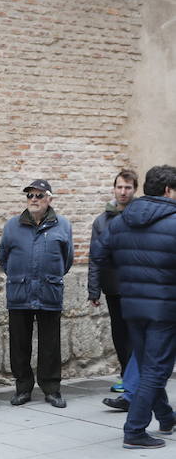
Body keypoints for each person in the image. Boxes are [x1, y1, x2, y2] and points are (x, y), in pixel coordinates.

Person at [94, 165, 176, 449]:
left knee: (146, 364)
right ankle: (135, 430)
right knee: (156, 370)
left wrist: (127, 273)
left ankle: (166, 417)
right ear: (168, 191)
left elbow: (99, 255)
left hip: (130, 305)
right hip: (165, 310)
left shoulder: (121, 220)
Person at [0, 180, 73, 408]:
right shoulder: (12, 226)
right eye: (30, 195)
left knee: (50, 343)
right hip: (19, 292)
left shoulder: (62, 225)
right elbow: (3, 258)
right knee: (19, 343)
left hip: (49, 291)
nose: (33, 200)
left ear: (49, 199)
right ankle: (23, 388)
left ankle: (51, 389)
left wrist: (51, 276)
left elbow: (67, 259)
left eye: (39, 196)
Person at [88, 169, 139, 410]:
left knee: (137, 335)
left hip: (138, 287)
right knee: (120, 335)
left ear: (134, 190)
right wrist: (93, 289)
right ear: (114, 189)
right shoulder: (102, 220)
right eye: (119, 187)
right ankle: (127, 378)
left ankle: (134, 384)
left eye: (128, 188)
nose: (123, 192)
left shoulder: (142, 215)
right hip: (114, 288)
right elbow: (95, 256)